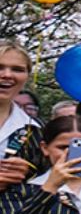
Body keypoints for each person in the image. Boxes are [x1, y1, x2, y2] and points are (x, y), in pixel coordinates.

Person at [0, 43, 39, 182]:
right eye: (0, 67)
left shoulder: (35, 131)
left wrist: (28, 172)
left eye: (17, 69)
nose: (7, 75)